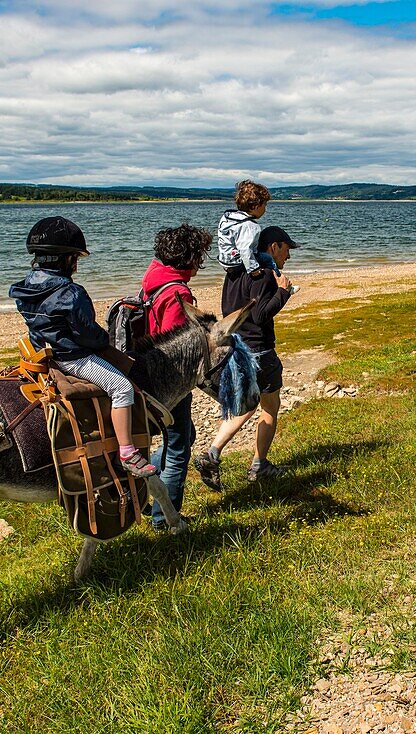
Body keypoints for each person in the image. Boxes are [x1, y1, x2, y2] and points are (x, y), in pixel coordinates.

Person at [9, 216, 157, 478]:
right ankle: (127, 452)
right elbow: (85, 334)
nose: (76, 264)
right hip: (72, 358)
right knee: (122, 387)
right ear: (67, 259)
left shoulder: (26, 285)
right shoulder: (71, 292)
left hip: (40, 352)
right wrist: (104, 340)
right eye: (75, 258)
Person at [193, 225, 300, 486]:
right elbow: (260, 314)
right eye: (286, 249)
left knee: (246, 404)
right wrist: (283, 292)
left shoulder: (234, 272)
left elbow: (231, 309)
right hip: (259, 351)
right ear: (273, 247)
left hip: (235, 347)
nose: (288, 256)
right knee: (268, 406)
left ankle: (215, 454)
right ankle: (256, 464)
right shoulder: (263, 274)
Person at [139, 223, 212, 530]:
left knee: (184, 437)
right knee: (178, 447)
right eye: (200, 256)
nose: (200, 263)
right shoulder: (178, 291)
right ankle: (165, 519)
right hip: (168, 381)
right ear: (190, 257)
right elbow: (178, 342)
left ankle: (144, 490)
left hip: (145, 369)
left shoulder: (153, 277)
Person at [216, 180, 270, 274]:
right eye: (265, 205)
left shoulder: (228, 218)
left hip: (225, 261)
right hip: (238, 263)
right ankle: (280, 281)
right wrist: (253, 269)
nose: (265, 209)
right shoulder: (249, 225)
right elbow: (245, 249)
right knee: (269, 259)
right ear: (256, 206)